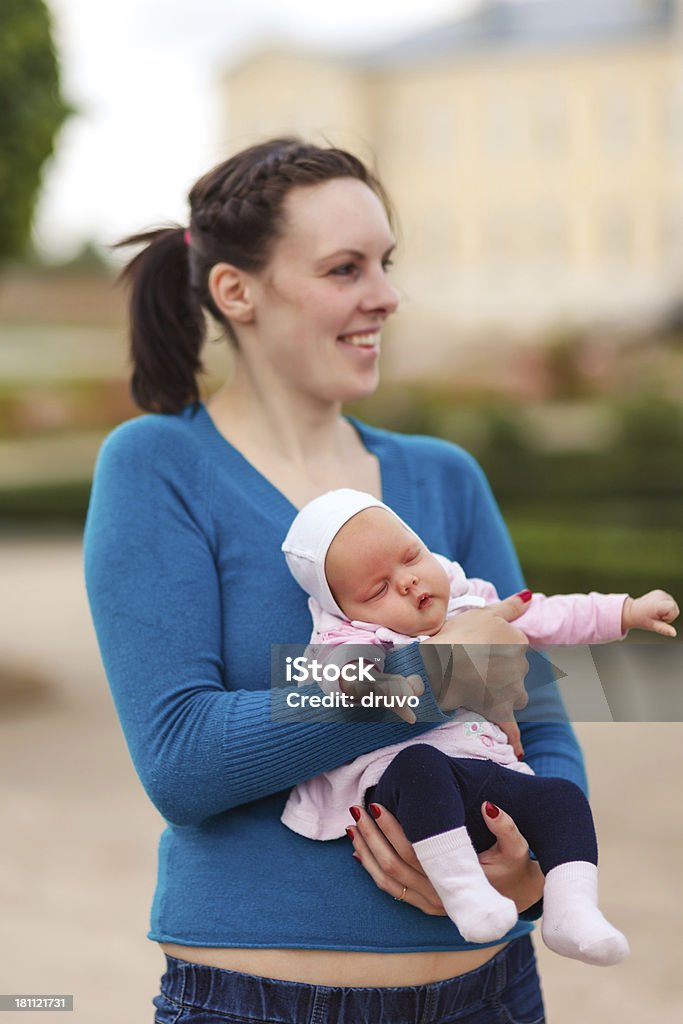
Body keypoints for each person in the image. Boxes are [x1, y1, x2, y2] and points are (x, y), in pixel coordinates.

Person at [85, 136, 595, 1023]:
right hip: (254, 1003)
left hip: (493, 995)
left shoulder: (444, 477)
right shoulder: (158, 466)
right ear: (235, 291)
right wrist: (431, 678)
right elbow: (182, 753)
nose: (385, 295)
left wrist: (532, 870)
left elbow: (539, 718)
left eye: (386, 264)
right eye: (343, 268)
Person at [281, 487, 679, 964]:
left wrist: (626, 611)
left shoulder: (468, 599)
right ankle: (467, 895)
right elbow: (337, 674)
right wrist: (387, 687)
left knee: (561, 797)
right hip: (407, 788)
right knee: (420, 764)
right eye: (379, 589)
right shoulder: (350, 632)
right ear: (345, 608)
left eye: (411, 557)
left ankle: (571, 911)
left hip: (485, 771)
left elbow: (546, 615)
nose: (407, 582)